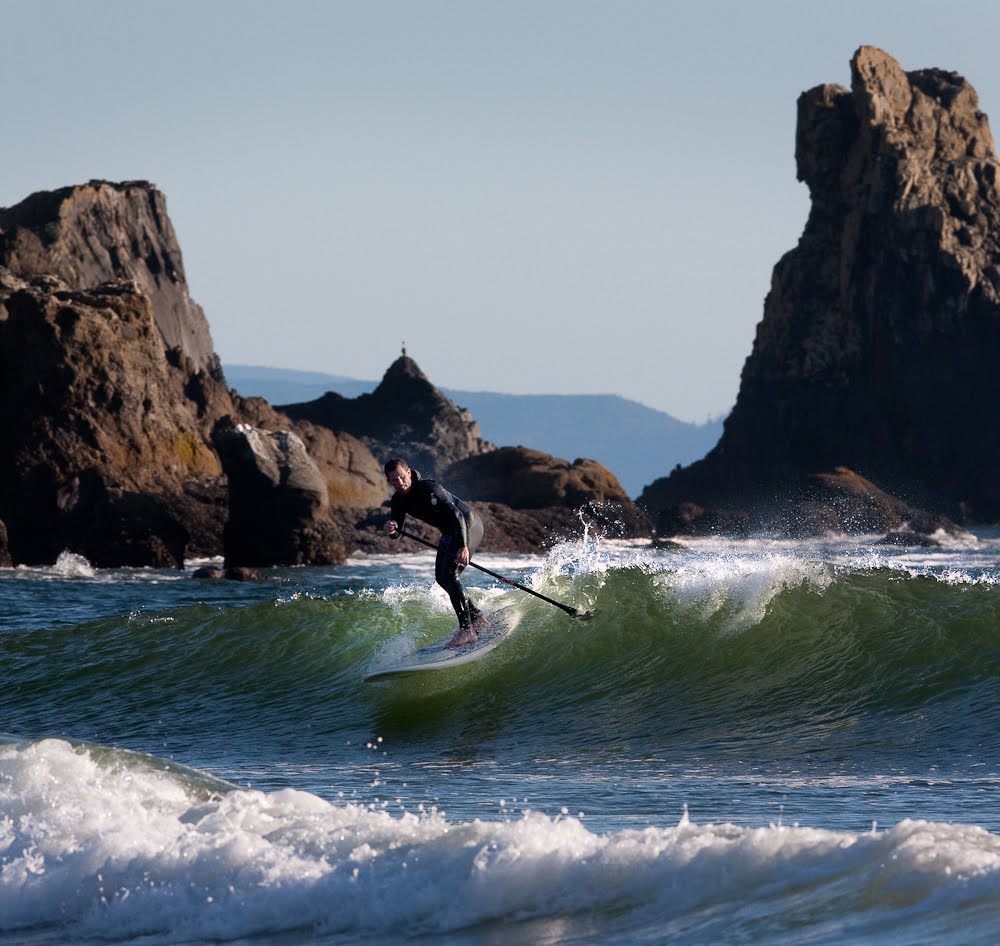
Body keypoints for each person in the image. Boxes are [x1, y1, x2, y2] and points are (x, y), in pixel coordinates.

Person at [382, 457, 485, 647]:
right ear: (389, 481)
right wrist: (392, 529)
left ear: (409, 473)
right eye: (394, 480)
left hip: (467, 526)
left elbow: (457, 515)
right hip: (449, 533)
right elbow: (398, 533)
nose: (400, 483)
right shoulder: (398, 501)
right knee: (442, 578)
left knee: (450, 576)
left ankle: (467, 630)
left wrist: (463, 546)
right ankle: (477, 618)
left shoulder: (428, 489)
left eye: (402, 477)